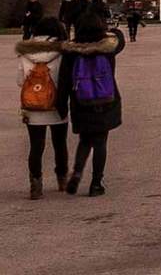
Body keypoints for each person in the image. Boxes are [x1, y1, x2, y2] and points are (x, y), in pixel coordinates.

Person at [58, 11, 125, 197]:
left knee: (85, 140)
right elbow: (120, 39)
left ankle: (78, 172)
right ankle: (96, 183)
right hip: (105, 101)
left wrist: (61, 105)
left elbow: (63, 82)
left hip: (81, 101)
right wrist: (112, 30)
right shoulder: (108, 48)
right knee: (101, 141)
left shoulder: (71, 52)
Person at [17, 17, 68, 199]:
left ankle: (36, 184)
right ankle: (62, 178)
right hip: (57, 105)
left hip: (33, 106)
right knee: (59, 143)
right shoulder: (62, 51)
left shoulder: (25, 52)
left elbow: (19, 81)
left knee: (36, 146)